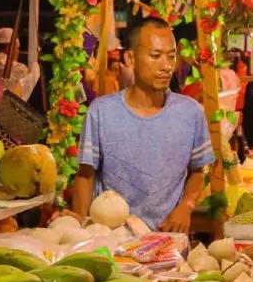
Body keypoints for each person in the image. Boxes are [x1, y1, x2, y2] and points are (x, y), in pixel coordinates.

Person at [72, 17, 215, 232]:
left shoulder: (191, 113)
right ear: (130, 58)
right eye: (155, 56)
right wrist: (81, 229)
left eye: (171, 56)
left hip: (167, 240)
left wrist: (187, 205)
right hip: (112, 239)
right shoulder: (101, 112)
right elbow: (85, 175)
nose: (166, 66)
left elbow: (198, 171)